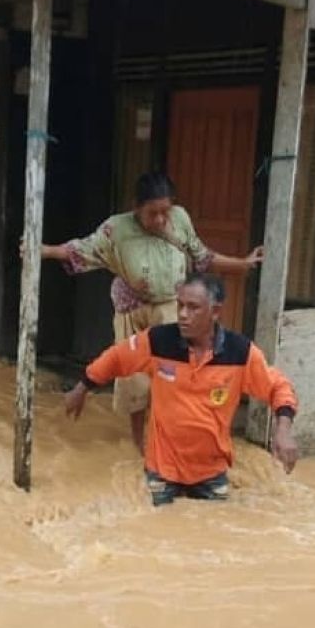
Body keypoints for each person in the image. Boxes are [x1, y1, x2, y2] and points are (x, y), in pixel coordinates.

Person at [38, 173, 263, 453]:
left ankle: (169, 439)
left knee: (173, 375)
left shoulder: (180, 220)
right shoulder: (116, 230)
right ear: (136, 207)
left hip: (170, 306)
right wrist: (44, 250)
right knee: (134, 380)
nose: (159, 219)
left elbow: (202, 256)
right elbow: (80, 250)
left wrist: (243, 264)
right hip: (131, 309)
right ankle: (138, 446)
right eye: (151, 213)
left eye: (164, 212)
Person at [64, 273, 298, 506]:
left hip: (211, 472)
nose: (183, 314)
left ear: (215, 312)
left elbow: (278, 386)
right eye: (180, 306)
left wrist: (283, 431)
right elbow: (117, 357)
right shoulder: (158, 341)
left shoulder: (240, 352)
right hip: (162, 471)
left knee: (217, 530)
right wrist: (82, 386)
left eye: (193, 307)